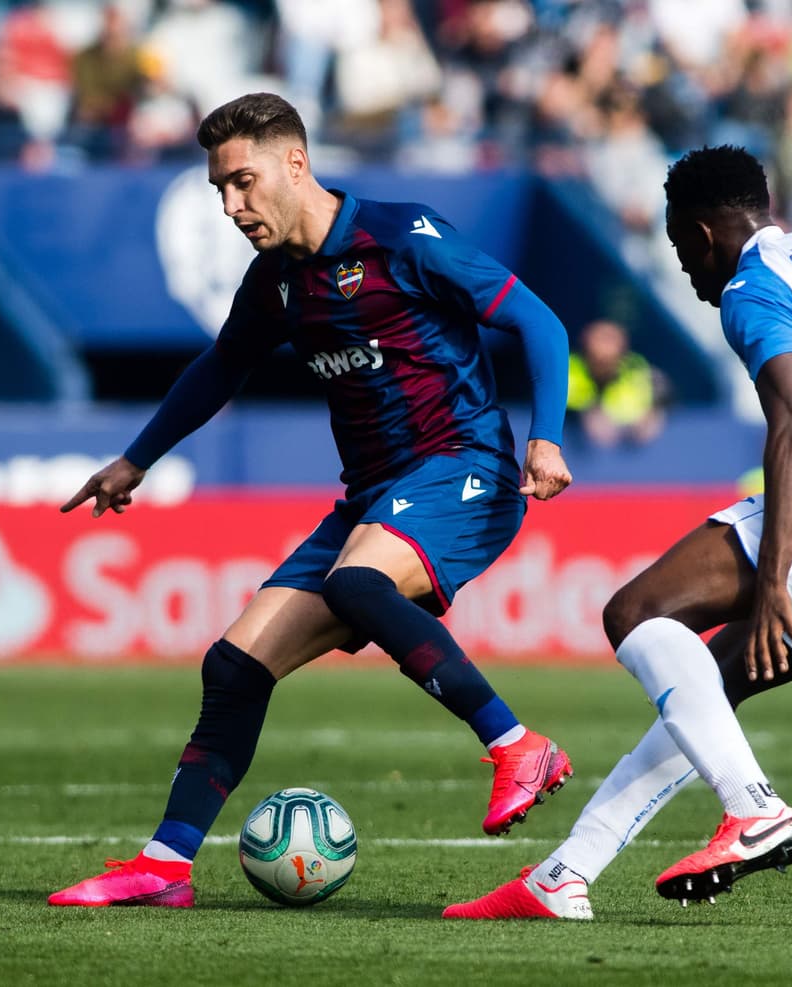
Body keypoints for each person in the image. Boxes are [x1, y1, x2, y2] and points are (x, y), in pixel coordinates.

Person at [444, 70, 792, 920]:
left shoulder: (752, 286)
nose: (688, 271)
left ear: (704, 234)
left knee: (636, 612)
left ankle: (754, 808)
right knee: (707, 685)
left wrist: (772, 581)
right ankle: (564, 875)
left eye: (681, 251)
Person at [50, 92, 575, 908]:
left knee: (357, 583)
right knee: (234, 664)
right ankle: (164, 867)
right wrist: (135, 460)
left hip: (463, 468)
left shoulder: (402, 237)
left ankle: (517, 744)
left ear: (295, 164)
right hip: (372, 497)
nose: (232, 206)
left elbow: (539, 321)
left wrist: (546, 437)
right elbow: (222, 367)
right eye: (220, 189)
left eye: (244, 182)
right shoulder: (277, 282)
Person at [567, 319, 669, 448]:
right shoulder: (565, 368)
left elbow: (653, 416)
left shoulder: (639, 373)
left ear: (623, 345)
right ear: (585, 341)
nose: (604, 348)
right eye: (600, 338)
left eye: (610, 339)